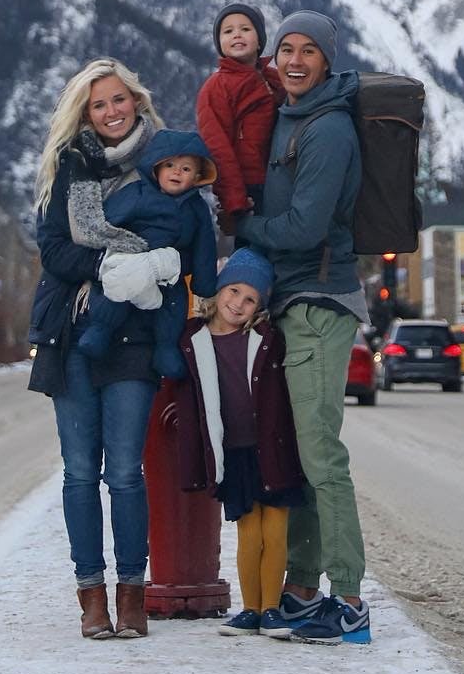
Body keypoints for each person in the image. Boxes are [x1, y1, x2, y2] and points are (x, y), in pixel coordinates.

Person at [28, 58, 180, 641]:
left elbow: (175, 232)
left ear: (136, 101)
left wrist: (154, 264)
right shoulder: (67, 168)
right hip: (72, 333)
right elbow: (54, 251)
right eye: (99, 104)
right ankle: (91, 596)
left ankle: (132, 594)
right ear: (85, 113)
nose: (112, 111)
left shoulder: (160, 164)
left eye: (119, 99)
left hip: (134, 336)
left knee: (125, 472)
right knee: (78, 473)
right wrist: (114, 264)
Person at [236, 10, 371, 645]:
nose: (294, 60)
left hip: (319, 304)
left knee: (321, 455)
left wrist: (240, 223)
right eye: (285, 48)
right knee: (298, 453)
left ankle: (349, 599)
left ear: (326, 60)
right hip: (292, 302)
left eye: (308, 50)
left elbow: (305, 228)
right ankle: (301, 590)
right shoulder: (289, 115)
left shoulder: (330, 129)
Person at [176, 248, 305, 636]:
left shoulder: (266, 339)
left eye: (250, 299)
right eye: (234, 291)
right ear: (219, 290)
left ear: (258, 308)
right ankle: (250, 609)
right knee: (249, 531)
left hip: (273, 447)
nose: (238, 303)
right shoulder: (193, 339)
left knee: (275, 531)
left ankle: (271, 609)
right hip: (233, 452)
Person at [74, 129, 218, 379]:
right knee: (115, 293)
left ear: (197, 177)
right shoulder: (137, 193)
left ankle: (166, 349)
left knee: (174, 306)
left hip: (169, 273)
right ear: (156, 168)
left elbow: (204, 247)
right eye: (170, 165)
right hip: (133, 260)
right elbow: (110, 219)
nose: (176, 172)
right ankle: (100, 330)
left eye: (186, 169)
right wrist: (109, 249)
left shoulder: (197, 208)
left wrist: (204, 285)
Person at [196, 2, 283, 235]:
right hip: (248, 187)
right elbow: (218, 147)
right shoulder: (217, 87)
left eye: (245, 29)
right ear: (220, 44)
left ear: (259, 40)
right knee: (255, 246)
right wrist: (234, 200)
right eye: (228, 31)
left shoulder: (274, 79)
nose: (237, 34)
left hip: (280, 179)